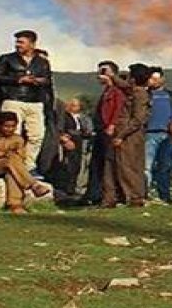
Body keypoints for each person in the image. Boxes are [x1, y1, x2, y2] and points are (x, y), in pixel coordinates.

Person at [0, 30, 53, 172]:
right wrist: (18, 79)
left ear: (32, 44)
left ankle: (28, 166)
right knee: (12, 134)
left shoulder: (42, 62)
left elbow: (48, 80)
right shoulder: (7, 59)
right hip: (13, 99)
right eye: (17, 42)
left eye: (21, 42)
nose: (17, 45)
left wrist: (39, 81)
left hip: (35, 101)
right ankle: (10, 164)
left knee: (37, 135)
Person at [101, 63, 151, 208]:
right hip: (122, 133)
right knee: (111, 165)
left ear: (134, 79)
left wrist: (121, 136)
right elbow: (124, 85)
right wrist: (112, 76)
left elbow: (138, 119)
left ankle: (135, 197)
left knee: (128, 166)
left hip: (129, 135)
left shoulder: (140, 94)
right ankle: (109, 198)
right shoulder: (133, 90)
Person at [0, 112, 52, 214]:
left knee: (11, 174)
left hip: (12, 168)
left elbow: (21, 158)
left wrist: (9, 154)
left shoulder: (18, 139)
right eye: (7, 126)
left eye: (13, 126)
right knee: (11, 158)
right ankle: (34, 185)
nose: (10, 129)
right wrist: (4, 154)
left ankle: (15, 205)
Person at [84, 61, 122, 205]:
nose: (99, 75)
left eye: (103, 72)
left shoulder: (116, 91)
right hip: (100, 129)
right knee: (97, 163)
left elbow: (118, 108)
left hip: (108, 129)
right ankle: (94, 194)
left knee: (107, 162)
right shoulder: (106, 91)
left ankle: (106, 194)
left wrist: (112, 124)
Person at [144, 67, 172, 203]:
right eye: (151, 79)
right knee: (146, 167)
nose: (153, 81)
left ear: (162, 79)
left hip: (168, 135)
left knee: (165, 167)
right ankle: (144, 194)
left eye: (156, 78)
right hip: (149, 134)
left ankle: (164, 195)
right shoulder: (144, 95)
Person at [53, 98, 92, 197]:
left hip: (81, 141)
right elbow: (62, 129)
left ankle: (74, 188)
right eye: (73, 105)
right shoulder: (64, 116)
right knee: (69, 166)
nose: (75, 107)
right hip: (70, 141)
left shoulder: (82, 117)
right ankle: (67, 189)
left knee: (77, 166)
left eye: (77, 105)